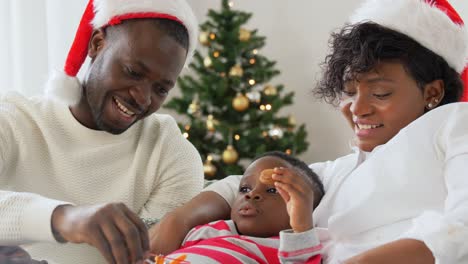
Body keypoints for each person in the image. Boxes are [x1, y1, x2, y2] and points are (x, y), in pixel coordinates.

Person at [149, 0, 468, 263]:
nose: (357, 108)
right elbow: (248, 181)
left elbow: (462, 228)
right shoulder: (337, 172)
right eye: (349, 91)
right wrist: (180, 218)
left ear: (432, 93)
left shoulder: (454, 123)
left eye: (380, 93)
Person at [0, 0, 204, 263]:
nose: (142, 99)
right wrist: (66, 219)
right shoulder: (14, 120)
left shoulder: (171, 154)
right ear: (96, 44)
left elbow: (154, 255)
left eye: (161, 89)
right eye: (133, 72)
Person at [152, 151, 324, 264]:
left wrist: (302, 226)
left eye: (272, 190)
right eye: (244, 189)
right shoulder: (209, 230)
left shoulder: (285, 249)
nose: (251, 194)